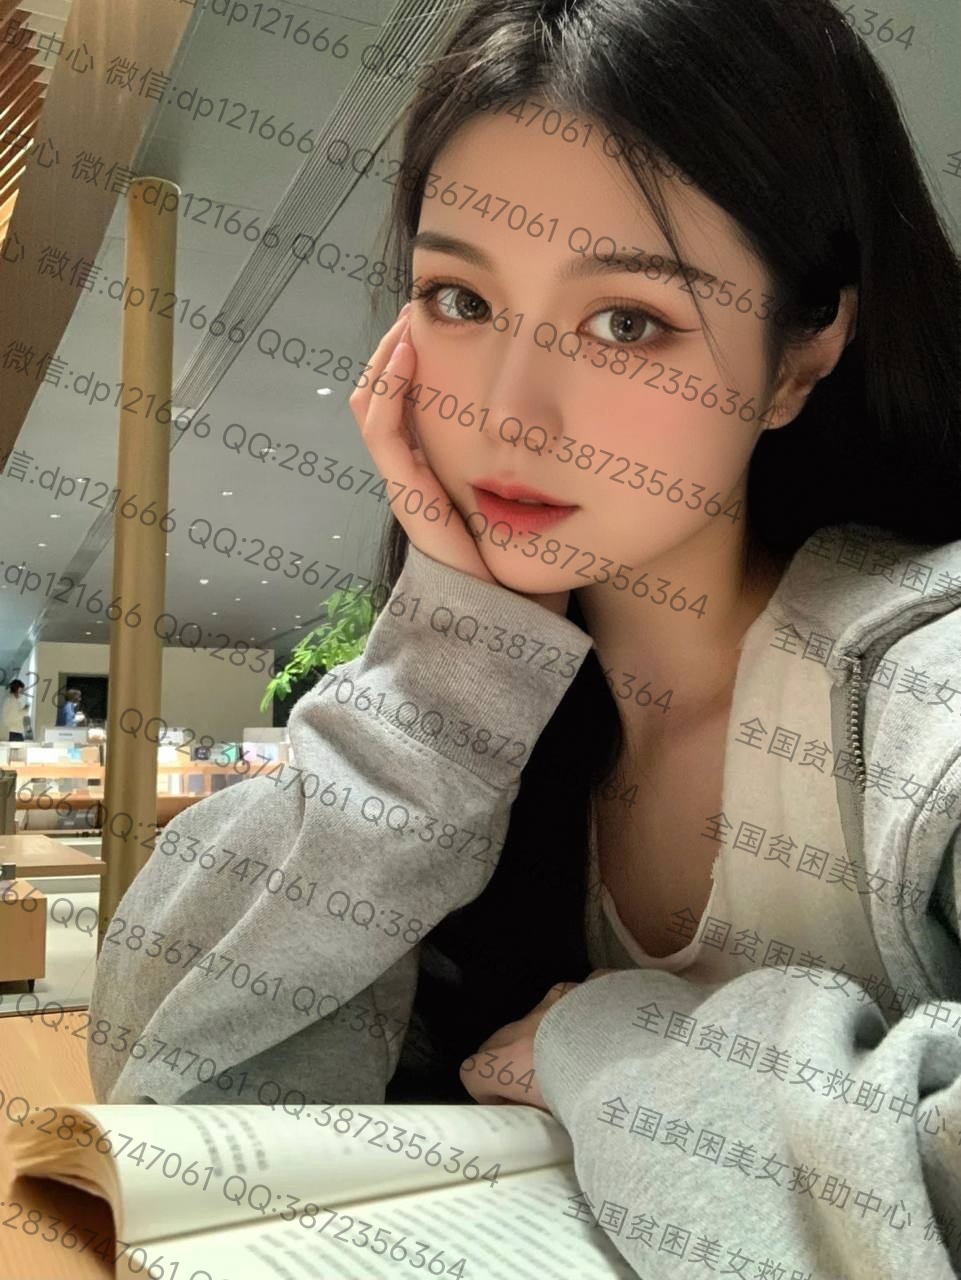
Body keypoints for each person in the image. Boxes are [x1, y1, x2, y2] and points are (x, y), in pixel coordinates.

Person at [88, 0, 961, 1273]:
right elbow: (170, 1079)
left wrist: (604, 1040)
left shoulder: (927, 701)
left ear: (801, 352)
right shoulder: (507, 717)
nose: (510, 414)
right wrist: (452, 668)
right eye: (458, 297)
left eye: (626, 321)